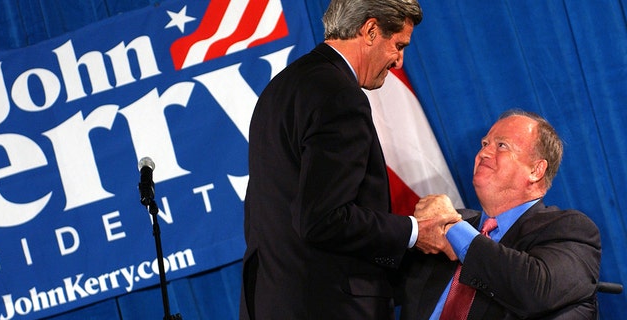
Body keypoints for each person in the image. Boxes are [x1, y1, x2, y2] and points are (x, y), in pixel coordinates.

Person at [240, 0, 461, 319]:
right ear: (371, 30)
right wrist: (415, 230)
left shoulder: (281, 88)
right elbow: (321, 218)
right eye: (398, 45)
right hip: (328, 306)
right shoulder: (339, 95)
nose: (399, 61)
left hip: (271, 302)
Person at [399, 110, 602, 319]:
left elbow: (534, 290)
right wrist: (408, 233)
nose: (483, 153)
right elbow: (381, 272)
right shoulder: (448, 222)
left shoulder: (571, 229)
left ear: (536, 170)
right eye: (485, 144)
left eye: (501, 145)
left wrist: (453, 229)